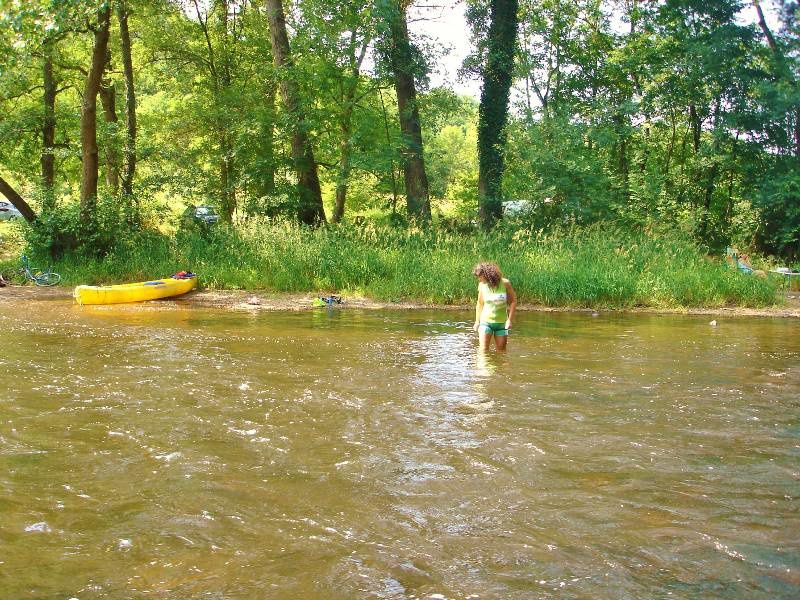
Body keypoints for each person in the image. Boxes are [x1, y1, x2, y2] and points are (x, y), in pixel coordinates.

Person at [472, 261, 517, 351]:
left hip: (501, 324)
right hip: (486, 322)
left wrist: (509, 320)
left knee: (501, 353)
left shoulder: (505, 283)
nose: (479, 279)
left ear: (487, 275)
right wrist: (477, 321)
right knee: (484, 351)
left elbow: (513, 301)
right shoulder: (481, 285)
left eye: (480, 277)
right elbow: (480, 303)